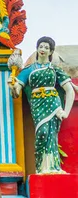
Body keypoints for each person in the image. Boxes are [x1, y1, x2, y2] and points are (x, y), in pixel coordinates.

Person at [9, 36, 75, 174]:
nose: (43, 49)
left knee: (51, 134)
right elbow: (17, 92)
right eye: (41, 46)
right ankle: (41, 167)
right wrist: (12, 87)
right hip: (37, 105)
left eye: (46, 47)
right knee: (42, 133)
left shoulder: (55, 70)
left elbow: (69, 90)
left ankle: (53, 167)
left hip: (53, 104)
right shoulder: (28, 70)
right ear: (37, 49)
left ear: (51, 52)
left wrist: (66, 112)